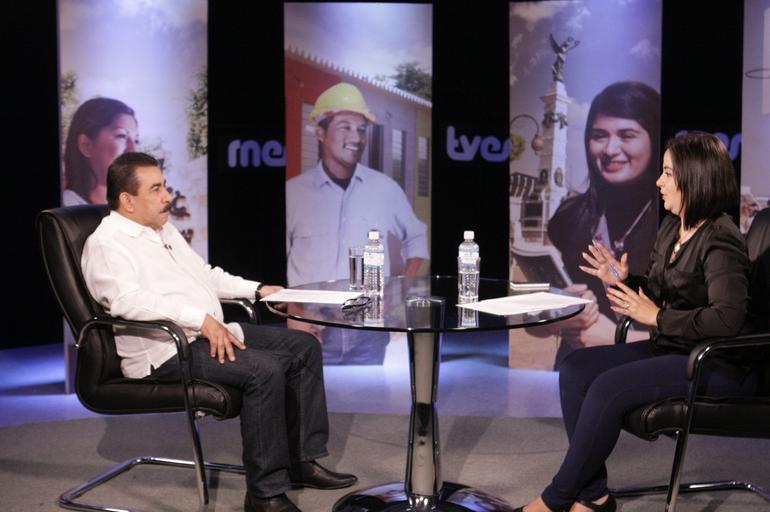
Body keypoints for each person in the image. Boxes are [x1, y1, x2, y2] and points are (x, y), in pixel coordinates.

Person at [82, 152, 356, 512]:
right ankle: (264, 494)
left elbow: (206, 274)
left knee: (303, 347)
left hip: (203, 333)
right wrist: (200, 319)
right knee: (264, 371)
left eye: (164, 186)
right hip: (165, 352)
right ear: (128, 201)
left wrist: (258, 290)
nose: (167, 196)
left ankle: (301, 461)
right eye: (156, 189)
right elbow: (126, 302)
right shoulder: (107, 243)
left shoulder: (162, 230)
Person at [514, 132, 758, 512]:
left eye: (667, 173)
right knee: (576, 368)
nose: (659, 182)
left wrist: (657, 317)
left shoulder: (720, 239)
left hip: (715, 363)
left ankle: (555, 499)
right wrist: (623, 281)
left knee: (607, 387)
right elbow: (659, 294)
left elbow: (727, 319)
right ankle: (594, 496)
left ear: (695, 178)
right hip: (674, 347)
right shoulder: (673, 227)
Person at [285, 82, 429, 363]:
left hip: (369, 330)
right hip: (311, 330)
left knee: (370, 393)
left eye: (362, 129)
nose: (357, 137)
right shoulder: (294, 193)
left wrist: (399, 289)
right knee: (313, 393)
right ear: (320, 132)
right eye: (345, 127)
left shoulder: (384, 189)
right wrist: (293, 311)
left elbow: (417, 237)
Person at [545, 81, 660, 358]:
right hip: (576, 366)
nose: (610, 149)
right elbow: (536, 328)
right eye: (599, 136)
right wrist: (556, 313)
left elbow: (693, 333)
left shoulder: (675, 221)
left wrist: (618, 339)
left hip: (645, 369)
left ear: (654, 139)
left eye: (627, 135)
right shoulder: (569, 218)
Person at [63, 97, 139, 206]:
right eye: (121, 136)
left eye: (136, 140)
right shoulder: (67, 207)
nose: (133, 150)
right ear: (86, 145)